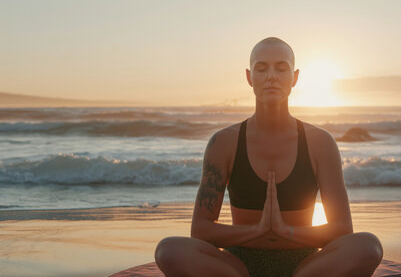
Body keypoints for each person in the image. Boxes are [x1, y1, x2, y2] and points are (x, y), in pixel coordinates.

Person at [154, 37, 383, 276]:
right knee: (169, 250)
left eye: (281, 68)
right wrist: (258, 231)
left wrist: (286, 232)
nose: (271, 76)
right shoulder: (224, 142)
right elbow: (200, 230)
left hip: (306, 265)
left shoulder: (320, 143)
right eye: (261, 68)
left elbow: (342, 229)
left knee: (368, 246)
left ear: (294, 78)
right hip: (237, 265)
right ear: (249, 76)